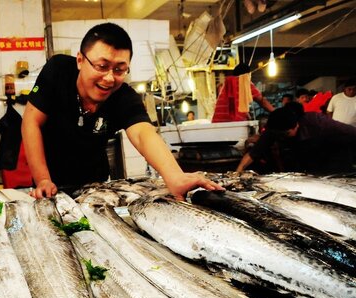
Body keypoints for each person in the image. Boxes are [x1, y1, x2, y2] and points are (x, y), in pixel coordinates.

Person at [21, 22, 223, 199]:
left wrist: (175, 177)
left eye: (119, 69)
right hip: (48, 180)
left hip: (94, 183)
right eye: (102, 66)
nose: (109, 78)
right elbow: (31, 121)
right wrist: (43, 179)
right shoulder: (58, 71)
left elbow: (144, 134)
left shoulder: (124, 96)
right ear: (80, 60)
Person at [236, 103, 356, 174]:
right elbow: (254, 152)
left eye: (287, 133)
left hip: (336, 158)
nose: (283, 137)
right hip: (307, 161)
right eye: (280, 135)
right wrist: (238, 171)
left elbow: (352, 133)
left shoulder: (319, 123)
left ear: (297, 125)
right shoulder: (274, 128)